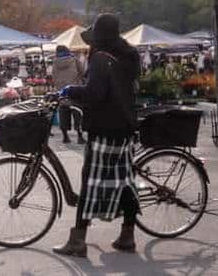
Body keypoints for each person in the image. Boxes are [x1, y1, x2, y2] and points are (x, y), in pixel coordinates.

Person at [55, 13, 141, 258]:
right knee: (124, 181)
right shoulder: (127, 54)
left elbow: (95, 93)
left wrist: (70, 89)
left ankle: (78, 240)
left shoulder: (101, 58)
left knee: (90, 181)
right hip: (124, 127)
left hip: (105, 128)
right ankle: (127, 235)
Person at [53, 45, 86, 144]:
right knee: (77, 114)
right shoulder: (74, 60)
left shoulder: (55, 63)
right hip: (75, 90)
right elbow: (83, 72)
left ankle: (65, 137)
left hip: (62, 92)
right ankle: (80, 137)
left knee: (63, 113)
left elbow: (53, 76)